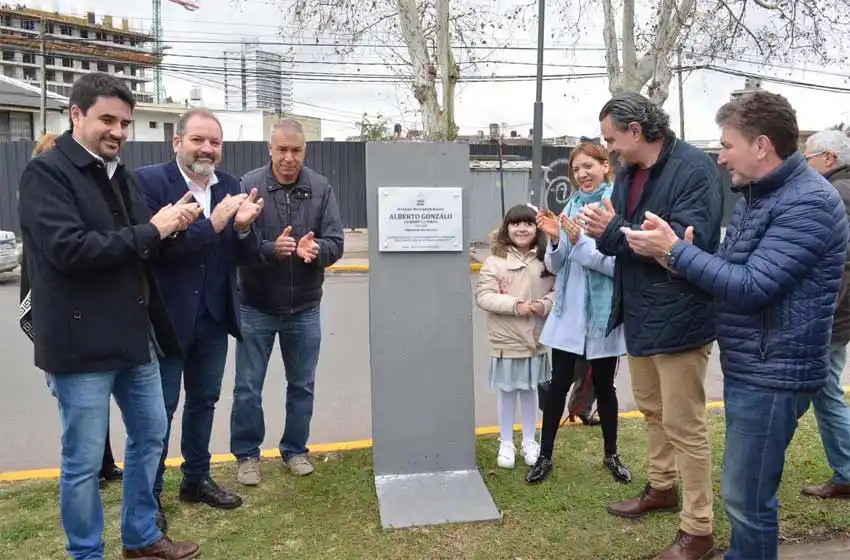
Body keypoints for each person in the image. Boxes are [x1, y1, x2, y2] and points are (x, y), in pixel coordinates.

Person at [622, 91, 847, 560]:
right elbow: (729, 273)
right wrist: (678, 260)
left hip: (776, 372)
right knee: (743, 496)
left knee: (747, 501)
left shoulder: (809, 204)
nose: (720, 155)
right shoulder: (755, 196)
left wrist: (676, 251)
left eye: (727, 144)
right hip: (755, 365)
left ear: (761, 145)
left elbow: (750, 286)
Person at [17, 72, 201, 559]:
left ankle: (140, 538)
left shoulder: (120, 175)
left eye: (125, 122)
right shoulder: (47, 173)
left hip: (133, 340)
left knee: (150, 436)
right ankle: (86, 552)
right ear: (75, 115)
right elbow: (70, 250)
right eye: (107, 120)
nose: (118, 131)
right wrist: (152, 231)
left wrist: (172, 228)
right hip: (79, 347)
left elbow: (140, 245)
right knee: (82, 461)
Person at [578, 92, 724, 559]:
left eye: (612, 139)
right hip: (639, 313)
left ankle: (699, 530)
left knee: (685, 423)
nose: (610, 149)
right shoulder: (627, 174)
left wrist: (617, 229)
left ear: (636, 131)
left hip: (682, 316)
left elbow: (679, 247)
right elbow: (623, 243)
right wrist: (609, 231)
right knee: (652, 410)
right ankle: (662, 487)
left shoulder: (694, 169)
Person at [135, 108, 266, 532]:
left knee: (204, 401)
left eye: (215, 142)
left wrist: (244, 230)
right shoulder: (151, 183)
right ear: (177, 142)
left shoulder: (231, 187)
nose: (207, 148)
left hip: (213, 316)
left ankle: (195, 480)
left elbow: (242, 256)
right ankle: (149, 495)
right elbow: (159, 249)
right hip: (169, 320)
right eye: (198, 140)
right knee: (161, 411)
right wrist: (215, 223)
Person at [230, 118, 344, 485]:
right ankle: (247, 455)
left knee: (302, 385)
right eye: (282, 150)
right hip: (255, 305)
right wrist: (269, 249)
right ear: (270, 149)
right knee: (248, 387)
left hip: (305, 307)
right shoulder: (249, 186)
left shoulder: (321, 188)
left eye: (296, 151)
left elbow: (336, 242)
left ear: (305, 151)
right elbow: (237, 244)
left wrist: (318, 250)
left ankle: (295, 450)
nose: (289, 158)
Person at [20, 132, 124, 489]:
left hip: (98, 325)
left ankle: (105, 464)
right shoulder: (41, 190)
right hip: (63, 323)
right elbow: (69, 252)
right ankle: (89, 470)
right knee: (78, 418)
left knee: (97, 408)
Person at [527, 141, 633, 485]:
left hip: (602, 315)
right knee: (558, 385)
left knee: (605, 386)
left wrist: (580, 244)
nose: (581, 174)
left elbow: (618, 265)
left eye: (588, 166)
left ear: (605, 166)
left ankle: (611, 454)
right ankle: (545, 457)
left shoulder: (616, 206)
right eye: (576, 169)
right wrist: (557, 241)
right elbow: (557, 266)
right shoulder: (570, 206)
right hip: (570, 312)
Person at [474, 204, 555, 469]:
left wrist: (543, 305)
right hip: (506, 339)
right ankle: (506, 441)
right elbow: (484, 296)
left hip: (536, 338)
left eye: (528, 223)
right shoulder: (495, 260)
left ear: (537, 228)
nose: (522, 229)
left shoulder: (547, 258)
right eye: (516, 223)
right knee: (508, 391)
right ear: (507, 228)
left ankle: (530, 440)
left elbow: (560, 291)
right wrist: (515, 305)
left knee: (530, 389)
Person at [799, 129, 850, 499]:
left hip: (834, 314)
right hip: (840, 313)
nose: (804, 166)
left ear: (828, 159)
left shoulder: (836, 195)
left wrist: (822, 315)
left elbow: (839, 265)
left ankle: (847, 470)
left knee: (823, 388)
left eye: (807, 159)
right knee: (824, 386)